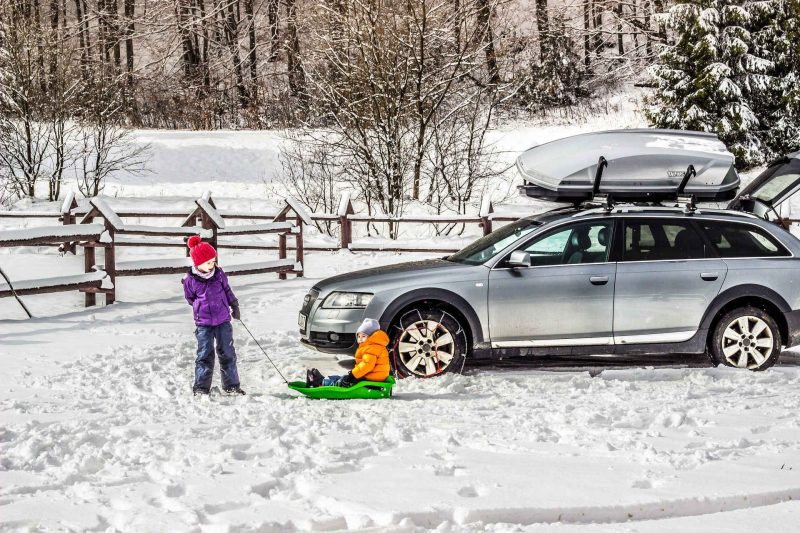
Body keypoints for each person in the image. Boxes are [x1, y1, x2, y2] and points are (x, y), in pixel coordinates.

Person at [182, 235, 245, 396]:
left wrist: (234, 304)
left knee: (227, 353)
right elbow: (190, 298)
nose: (213, 264)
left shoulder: (218, 274)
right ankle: (201, 387)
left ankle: (231, 386)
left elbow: (227, 290)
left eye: (213, 261)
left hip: (223, 320)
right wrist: (200, 307)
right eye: (209, 262)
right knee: (204, 354)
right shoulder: (190, 280)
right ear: (199, 263)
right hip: (203, 324)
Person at [306, 318, 390, 387]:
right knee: (344, 378)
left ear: (371, 336)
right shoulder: (375, 346)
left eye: (363, 336)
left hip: (371, 378)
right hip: (372, 376)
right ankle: (323, 380)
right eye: (359, 336)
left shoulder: (371, 347)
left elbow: (367, 365)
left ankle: (319, 383)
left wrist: (353, 375)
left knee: (344, 381)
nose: (360, 339)